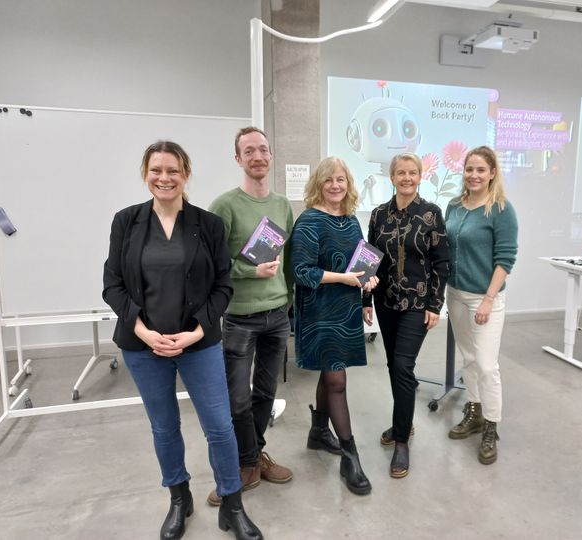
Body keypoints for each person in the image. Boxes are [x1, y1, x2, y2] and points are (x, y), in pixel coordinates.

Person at [102, 141, 262, 540]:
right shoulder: (127, 222)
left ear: (186, 173)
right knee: (164, 428)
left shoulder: (208, 224)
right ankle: (179, 498)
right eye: (156, 170)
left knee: (220, 428)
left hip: (198, 344)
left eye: (173, 170)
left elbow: (223, 287)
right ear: (145, 174)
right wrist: (142, 331)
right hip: (144, 347)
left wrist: (195, 332)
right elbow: (112, 285)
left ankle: (232, 504)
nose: (164, 178)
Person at [207, 127, 294, 505]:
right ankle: (246, 459)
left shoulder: (282, 205)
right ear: (238, 159)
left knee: (266, 393)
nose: (257, 156)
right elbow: (212, 262)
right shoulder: (223, 206)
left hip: (277, 315)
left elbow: (286, 260)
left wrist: (288, 299)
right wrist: (248, 272)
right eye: (249, 151)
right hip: (240, 316)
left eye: (263, 150)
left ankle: (254, 455)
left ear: (270, 156)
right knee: (237, 399)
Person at [291, 156, 378, 495]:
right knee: (337, 380)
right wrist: (345, 278)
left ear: (348, 183)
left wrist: (367, 292)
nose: (335, 185)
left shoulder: (352, 220)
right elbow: (301, 272)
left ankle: (317, 433)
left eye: (340, 179)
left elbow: (363, 265)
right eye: (328, 180)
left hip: (346, 311)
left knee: (330, 376)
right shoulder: (309, 221)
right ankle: (349, 454)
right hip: (320, 312)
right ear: (318, 184)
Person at [362, 152, 449, 479]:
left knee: (402, 365)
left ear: (420, 176)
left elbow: (442, 262)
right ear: (392, 176)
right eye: (401, 172)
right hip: (385, 301)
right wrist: (366, 300)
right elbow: (371, 260)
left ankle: (401, 441)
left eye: (413, 172)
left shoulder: (431, 213)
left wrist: (434, 304)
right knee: (393, 365)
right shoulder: (378, 215)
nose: (407, 178)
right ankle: (404, 421)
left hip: (416, 304)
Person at [444, 145, 518, 465]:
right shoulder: (454, 206)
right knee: (470, 359)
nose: (473, 175)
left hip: (485, 298)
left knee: (488, 365)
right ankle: (473, 411)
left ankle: (491, 426)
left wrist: (488, 299)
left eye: (480, 170)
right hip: (455, 294)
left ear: (492, 174)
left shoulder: (501, 209)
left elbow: (506, 259)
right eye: (469, 169)